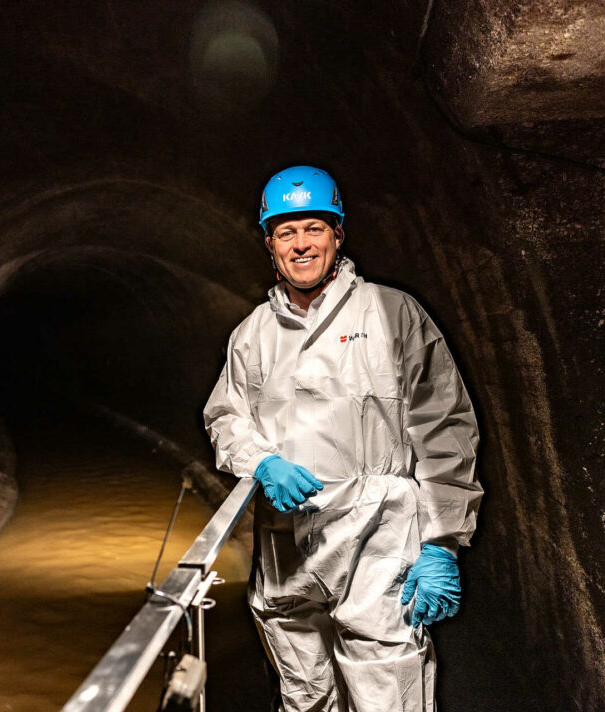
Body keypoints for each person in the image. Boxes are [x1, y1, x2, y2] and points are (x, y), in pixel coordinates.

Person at [203, 166, 483, 712]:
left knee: (387, 696)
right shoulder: (253, 333)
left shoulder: (392, 313)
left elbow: (443, 428)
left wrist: (443, 541)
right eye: (287, 232)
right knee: (304, 697)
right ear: (270, 244)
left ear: (337, 234)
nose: (301, 244)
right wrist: (260, 462)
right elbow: (225, 417)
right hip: (287, 552)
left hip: (378, 548)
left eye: (314, 228)